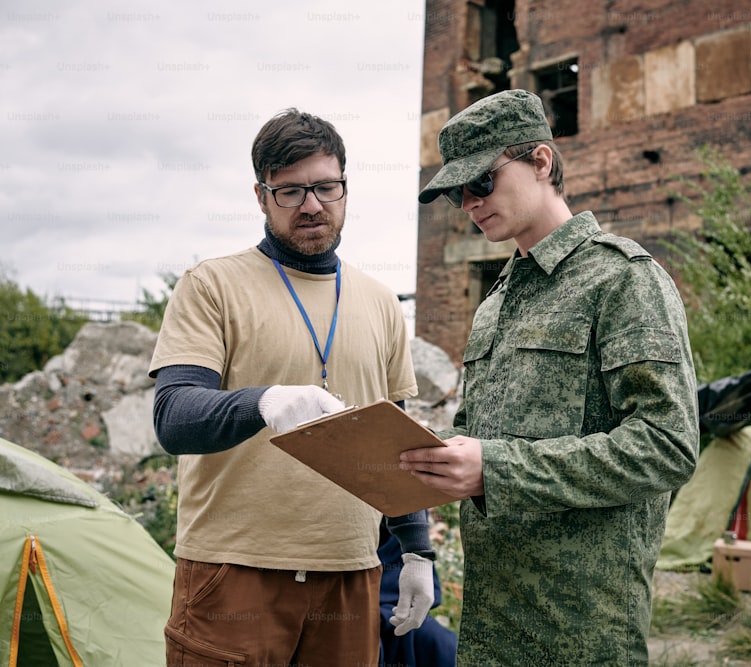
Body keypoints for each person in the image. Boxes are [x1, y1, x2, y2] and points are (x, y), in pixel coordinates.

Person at [402, 89, 700, 665]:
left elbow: (668, 446)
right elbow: (477, 437)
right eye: (458, 193)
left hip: (582, 629)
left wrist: (496, 468)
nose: (469, 203)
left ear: (541, 161)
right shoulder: (495, 303)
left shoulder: (623, 280)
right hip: (492, 624)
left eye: (482, 182)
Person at [149, 108, 436, 667]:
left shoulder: (380, 302)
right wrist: (263, 400)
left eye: (326, 187)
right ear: (261, 197)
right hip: (234, 574)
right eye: (290, 191)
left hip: (351, 576)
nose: (312, 204)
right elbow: (174, 415)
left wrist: (418, 550)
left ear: (345, 187)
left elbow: (397, 441)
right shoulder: (211, 285)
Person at [377, 517, 457, 667]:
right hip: (349, 609)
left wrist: (418, 555)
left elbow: (408, 502)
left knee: (444, 647)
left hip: (399, 610)